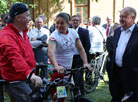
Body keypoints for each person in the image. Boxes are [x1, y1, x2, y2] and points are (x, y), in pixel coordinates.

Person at [0, 3, 43, 102]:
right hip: (16, 79)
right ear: (18, 18)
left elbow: (26, 55)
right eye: (27, 16)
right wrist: (29, 74)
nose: (30, 19)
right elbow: (15, 57)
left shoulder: (23, 33)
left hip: (27, 77)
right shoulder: (6, 35)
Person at [48, 12, 91, 102]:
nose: (59, 25)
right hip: (55, 66)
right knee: (60, 90)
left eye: (62, 23)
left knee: (63, 91)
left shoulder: (73, 33)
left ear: (68, 24)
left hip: (67, 66)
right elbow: (50, 53)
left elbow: (81, 49)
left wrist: (85, 63)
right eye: (57, 23)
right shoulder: (54, 36)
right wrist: (56, 66)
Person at [111, 7, 138, 102]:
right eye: (120, 16)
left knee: (131, 99)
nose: (121, 19)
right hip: (116, 72)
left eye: (124, 17)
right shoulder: (117, 31)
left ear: (132, 18)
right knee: (116, 97)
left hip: (132, 75)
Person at [71, 15, 90, 95]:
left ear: (80, 21)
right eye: (74, 20)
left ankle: (82, 94)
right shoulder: (68, 31)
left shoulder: (84, 31)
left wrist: (83, 57)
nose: (75, 21)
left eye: (77, 20)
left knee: (79, 77)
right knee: (71, 76)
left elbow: (87, 45)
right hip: (70, 57)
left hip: (79, 57)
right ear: (71, 21)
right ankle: (75, 94)